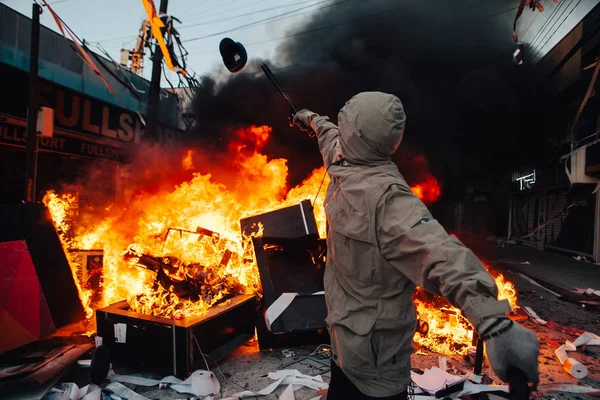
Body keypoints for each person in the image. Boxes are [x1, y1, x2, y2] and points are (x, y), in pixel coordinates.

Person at [292, 92, 539, 400]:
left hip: (376, 369)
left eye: (345, 129)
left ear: (358, 137)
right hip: (344, 347)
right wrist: (312, 119)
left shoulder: (389, 201)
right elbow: (329, 136)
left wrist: (494, 323)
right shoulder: (345, 160)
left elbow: (443, 256)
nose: (338, 136)